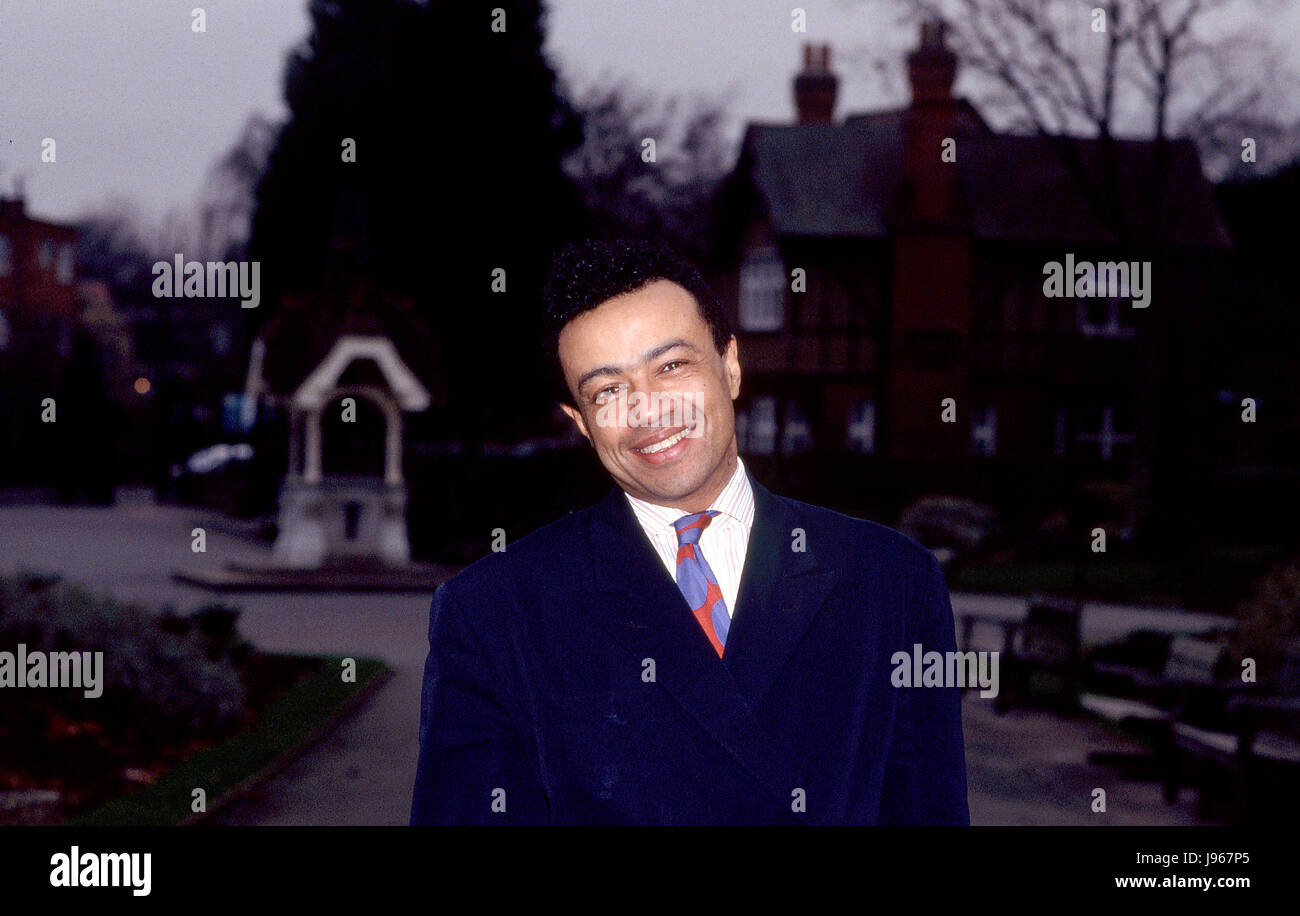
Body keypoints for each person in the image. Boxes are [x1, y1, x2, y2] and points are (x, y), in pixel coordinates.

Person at [410, 238, 968, 824]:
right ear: (580, 421)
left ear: (730, 364)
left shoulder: (891, 581)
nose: (648, 411)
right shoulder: (493, 611)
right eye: (608, 391)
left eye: (671, 366)